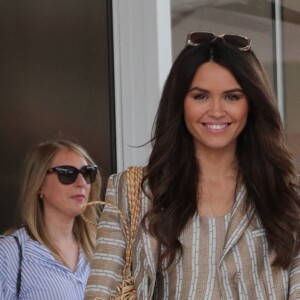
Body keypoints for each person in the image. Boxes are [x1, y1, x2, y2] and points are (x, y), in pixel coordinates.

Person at [84, 32, 300, 299]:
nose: (217, 110)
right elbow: (99, 293)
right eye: (201, 96)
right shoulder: (133, 192)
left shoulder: (288, 195)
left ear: (252, 104)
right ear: (179, 103)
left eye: (232, 97)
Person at [0, 139, 101, 300]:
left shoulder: (100, 252)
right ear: (39, 184)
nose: (81, 183)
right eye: (67, 173)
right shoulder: (9, 254)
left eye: (88, 173)